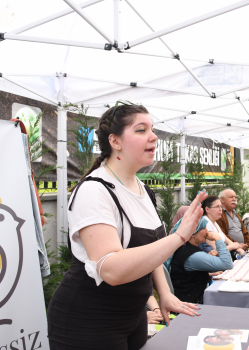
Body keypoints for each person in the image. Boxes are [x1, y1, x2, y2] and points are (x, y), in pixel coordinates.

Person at [47, 103, 205, 350]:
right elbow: (110, 269)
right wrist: (179, 237)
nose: (153, 136)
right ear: (115, 141)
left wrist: (163, 293)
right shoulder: (94, 190)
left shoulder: (144, 191)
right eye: (141, 130)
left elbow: (149, 253)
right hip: (89, 322)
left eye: (152, 129)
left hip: (133, 319)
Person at [170, 216, 233, 304]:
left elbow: (188, 276)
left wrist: (208, 275)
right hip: (191, 304)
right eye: (203, 228)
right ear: (192, 233)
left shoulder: (184, 247)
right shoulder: (193, 255)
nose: (207, 232)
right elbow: (227, 264)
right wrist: (217, 238)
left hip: (186, 300)